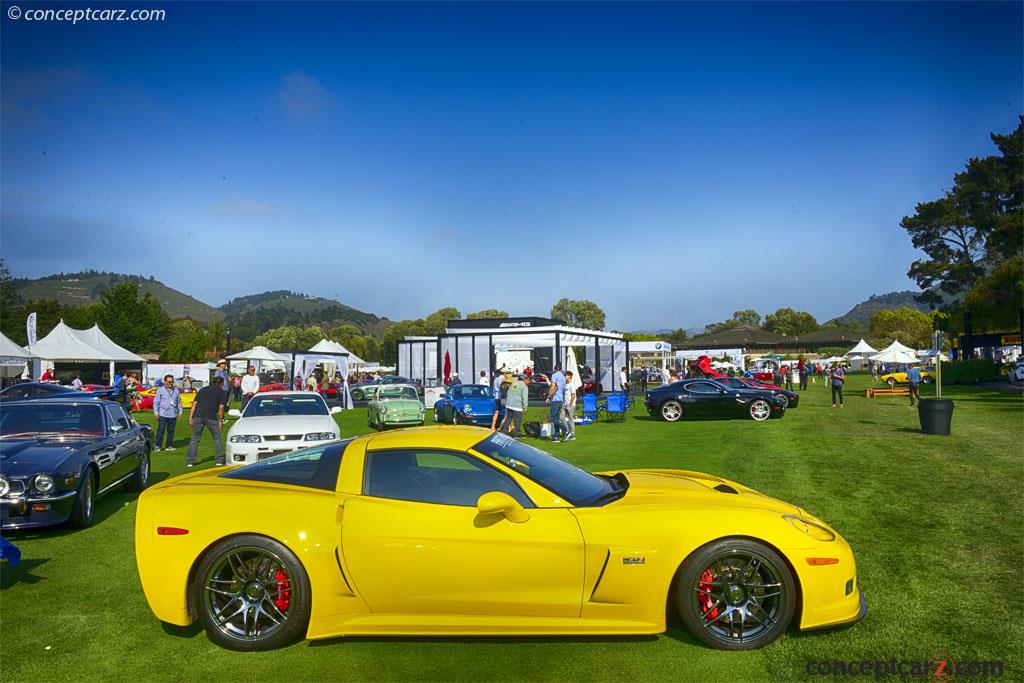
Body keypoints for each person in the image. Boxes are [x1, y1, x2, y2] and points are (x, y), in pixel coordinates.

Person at [186, 376, 226, 467]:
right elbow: (221, 407)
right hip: (211, 416)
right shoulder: (222, 392)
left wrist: (190, 417)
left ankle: (190, 461)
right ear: (221, 384)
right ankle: (219, 460)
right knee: (217, 438)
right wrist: (220, 421)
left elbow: (194, 404)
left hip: (199, 415)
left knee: (195, 439)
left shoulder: (203, 390)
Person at [153, 374, 182, 452]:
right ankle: (158, 446)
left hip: (173, 414)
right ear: (165, 382)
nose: (171, 383)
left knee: (171, 431)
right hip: (163, 414)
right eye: (169, 381)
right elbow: (156, 402)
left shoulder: (176, 390)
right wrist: (156, 413)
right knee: (161, 430)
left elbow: (179, 401)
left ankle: (168, 445)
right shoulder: (160, 390)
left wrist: (180, 411)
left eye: (172, 381)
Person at [500, 373, 528, 438]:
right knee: (518, 421)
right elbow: (525, 397)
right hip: (517, 406)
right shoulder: (524, 386)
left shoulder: (513, 384)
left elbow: (508, 393)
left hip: (509, 405)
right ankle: (517, 435)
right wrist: (525, 407)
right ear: (526, 380)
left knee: (508, 419)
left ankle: (503, 432)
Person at [546, 363, 567, 442]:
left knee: (553, 418)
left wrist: (548, 397)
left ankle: (565, 430)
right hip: (560, 399)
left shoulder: (554, 375)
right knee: (557, 418)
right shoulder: (563, 377)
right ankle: (556, 435)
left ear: (554, 369)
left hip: (555, 399)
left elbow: (553, 386)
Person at [561, 371, 577, 441]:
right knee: (561, 418)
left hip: (570, 405)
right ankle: (567, 431)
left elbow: (573, 395)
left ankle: (572, 434)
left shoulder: (572, 385)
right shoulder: (565, 384)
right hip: (564, 404)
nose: (565, 376)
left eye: (566, 375)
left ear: (570, 376)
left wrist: (570, 404)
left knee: (571, 419)